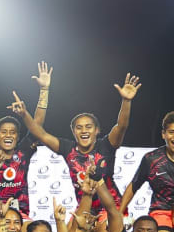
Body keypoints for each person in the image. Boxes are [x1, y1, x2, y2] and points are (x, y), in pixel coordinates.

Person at [12, 72, 141, 212]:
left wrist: (126, 101)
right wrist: (25, 114)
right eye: (79, 128)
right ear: (74, 132)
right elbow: (40, 134)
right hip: (84, 210)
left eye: (88, 127)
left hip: (111, 210)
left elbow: (121, 126)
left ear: (97, 131)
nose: (84, 131)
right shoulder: (68, 148)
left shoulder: (106, 145)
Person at [0, 58, 50, 216]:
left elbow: (37, 124)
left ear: (18, 136)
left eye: (12, 132)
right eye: (3, 131)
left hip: (19, 215)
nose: (8, 135)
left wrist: (44, 90)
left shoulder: (24, 151)